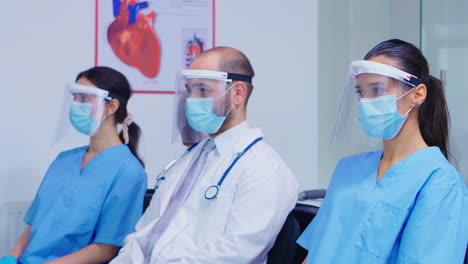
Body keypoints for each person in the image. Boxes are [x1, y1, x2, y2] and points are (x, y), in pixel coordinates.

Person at [111, 46, 299, 264]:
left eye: (202, 90)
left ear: (238, 93)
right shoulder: (188, 159)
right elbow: (144, 235)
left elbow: (235, 254)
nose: (191, 100)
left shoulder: (264, 168)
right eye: (189, 90)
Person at [298, 39, 468, 263]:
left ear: (418, 94)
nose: (365, 102)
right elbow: (314, 255)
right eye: (361, 92)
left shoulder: (439, 183)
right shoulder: (348, 169)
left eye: (377, 90)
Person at [0, 67, 148, 264]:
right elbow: (36, 223)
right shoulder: (63, 160)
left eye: (85, 98)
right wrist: (12, 256)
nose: (77, 105)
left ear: (112, 106)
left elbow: (106, 249)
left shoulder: (129, 171)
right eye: (75, 98)